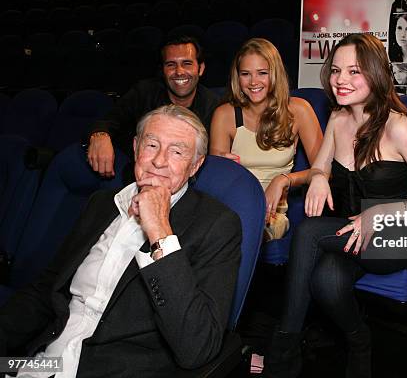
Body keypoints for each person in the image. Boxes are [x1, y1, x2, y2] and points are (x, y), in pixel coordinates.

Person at [264, 34, 407, 378]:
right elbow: (319, 167)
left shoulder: (398, 126)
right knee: (326, 282)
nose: (341, 80)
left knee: (308, 231)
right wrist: (320, 176)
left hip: (397, 239)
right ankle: (359, 340)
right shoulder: (338, 120)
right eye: (336, 70)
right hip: (353, 237)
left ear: (376, 73)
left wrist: (378, 213)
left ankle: (282, 352)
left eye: (354, 71)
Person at [0, 105, 242, 377]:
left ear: (195, 165)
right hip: (43, 362)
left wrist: (160, 232)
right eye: (152, 145)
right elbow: (47, 290)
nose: (159, 161)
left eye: (177, 151)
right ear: (137, 148)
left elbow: (197, 347)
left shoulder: (217, 225)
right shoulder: (101, 204)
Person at [209, 38, 323, 241]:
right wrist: (221, 167)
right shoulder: (224, 114)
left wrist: (283, 180)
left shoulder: (299, 110)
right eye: (246, 74)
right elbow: (215, 181)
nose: (253, 82)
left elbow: (323, 171)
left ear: (275, 74)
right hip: (231, 208)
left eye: (262, 73)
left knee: (246, 234)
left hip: (272, 215)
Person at [87, 35, 219, 178]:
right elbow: (109, 121)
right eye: (171, 65)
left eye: (187, 63)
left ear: (200, 68)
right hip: (143, 176)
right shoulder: (144, 93)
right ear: (163, 70)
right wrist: (100, 135)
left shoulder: (214, 106)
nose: (179, 71)